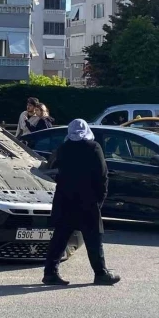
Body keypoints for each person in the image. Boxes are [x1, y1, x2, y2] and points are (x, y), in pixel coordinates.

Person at [42, 119, 120, 286]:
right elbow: (102, 175)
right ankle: (100, 273)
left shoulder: (63, 148)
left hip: (65, 199)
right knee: (94, 237)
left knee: (60, 237)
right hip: (87, 200)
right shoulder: (93, 147)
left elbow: (56, 170)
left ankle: (50, 272)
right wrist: (100, 199)